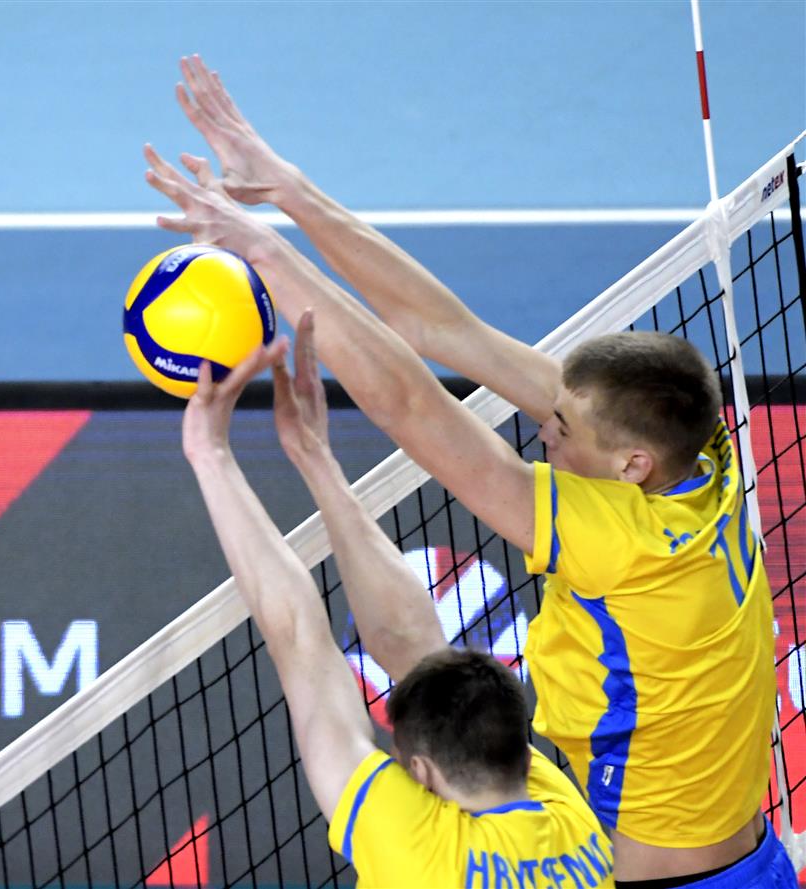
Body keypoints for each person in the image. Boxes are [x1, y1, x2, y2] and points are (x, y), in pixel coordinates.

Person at [146, 54, 796, 887]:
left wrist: (262, 252)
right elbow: (444, 330)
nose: (542, 433)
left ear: (631, 465)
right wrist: (291, 193)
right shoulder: (702, 452)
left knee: (423, 661)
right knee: (424, 659)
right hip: (756, 858)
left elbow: (412, 407)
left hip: (657, 879)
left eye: (561, 430)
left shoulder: (621, 543)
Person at [182, 320, 611, 887]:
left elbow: (304, 643)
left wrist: (210, 450)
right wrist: (310, 457)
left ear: (422, 773)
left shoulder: (419, 847)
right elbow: (368, 650)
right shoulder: (570, 821)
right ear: (520, 750)